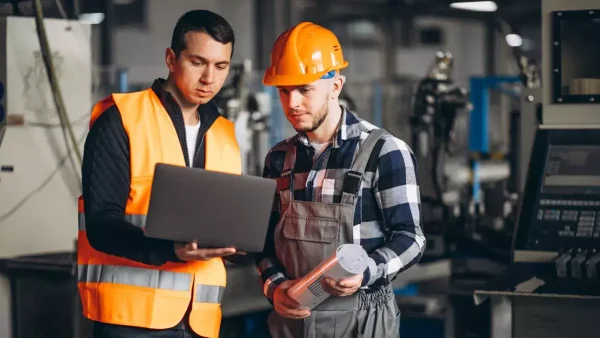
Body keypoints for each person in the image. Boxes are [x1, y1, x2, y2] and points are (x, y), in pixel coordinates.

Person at [78, 10, 243, 338]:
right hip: (130, 320)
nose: (209, 78)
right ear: (171, 58)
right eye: (198, 62)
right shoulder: (122, 120)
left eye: (220, 66)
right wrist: (169, 250)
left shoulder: (224, 134)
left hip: (199, 321)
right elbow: (101, 225)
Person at [256, 22, 426, 338]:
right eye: (283, 90)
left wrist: (366, 272)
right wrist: (275, 287)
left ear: (336, 85)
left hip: (362, 322)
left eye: (304, 89)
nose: (291, 103)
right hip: (292, 323)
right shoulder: (278, 159)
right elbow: (265, 244)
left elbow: (411, 238)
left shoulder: (383, 151)